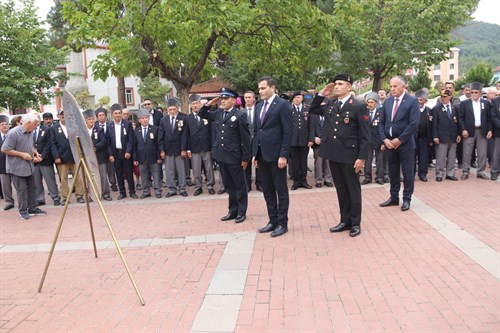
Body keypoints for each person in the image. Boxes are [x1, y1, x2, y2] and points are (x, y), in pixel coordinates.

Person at [309, 74, 370, 237]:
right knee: (341, 189)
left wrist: (362, 158)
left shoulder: (358, 106)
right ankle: (345, 220)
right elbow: (313, 109)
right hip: (333, 154)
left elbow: (365, 135)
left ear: (349, 87)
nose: (336, 86)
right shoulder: (330, 103)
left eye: (340, 84)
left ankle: (355, 223)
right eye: (335, 84)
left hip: (350, 155)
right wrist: (322, 93)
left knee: (353, 190)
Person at [199, 87, 251, 223]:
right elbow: (201, 114)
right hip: (222, 156)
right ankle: (232, 211)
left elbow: (246, 139)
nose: (223, 100)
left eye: (226, 98)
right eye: (221, 98)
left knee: (239, 186)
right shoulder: (218, 113)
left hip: (235, 157)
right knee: (228, 185)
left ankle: (241, 211)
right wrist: (209, 103)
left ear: (233, 100)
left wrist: (246, 158)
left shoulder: (240, 115)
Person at [253, 76, 293, 237]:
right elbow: (257, 131)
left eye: (263, 88)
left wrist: (283, 155)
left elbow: (288, 132)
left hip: (277, 156)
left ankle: (282, 223)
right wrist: (255, 154)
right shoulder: (258, 106)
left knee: (280, 190)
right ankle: (272, 220)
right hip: (262, 155)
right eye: (259, 89)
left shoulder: (283, 105)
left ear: (273, 88)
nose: (260, 91)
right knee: (267, 190)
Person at [378, 76, 420, 212]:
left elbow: (413, 123)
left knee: (408, 172)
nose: (392, 89)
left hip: (405, 144)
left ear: (403, 86)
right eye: (391, 86)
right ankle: (394, 197)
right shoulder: (388, 102)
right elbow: (381, 122)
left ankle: (407, 199)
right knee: (393, 172)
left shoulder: (412, 101)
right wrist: (385, 139)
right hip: (390, 144)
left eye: (395, 86)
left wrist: (400, 139)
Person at [1, 113, 46, 219]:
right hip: (17, 167)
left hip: (29, 166)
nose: (36, 126)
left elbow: (30, 145)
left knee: (32, 187)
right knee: (21, 190)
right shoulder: (13, 133)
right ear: (28, 122)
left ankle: (32, 207)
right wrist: (22, 154)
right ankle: (23, 211)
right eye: (35, 124)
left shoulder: (30, 132)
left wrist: (35, 152)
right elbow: (5, 149)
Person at [50, 110, 85, 205]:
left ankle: (79, 196)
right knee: (63, 178)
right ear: (58, 116)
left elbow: (79, 140)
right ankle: (65, 197)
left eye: (65, 114)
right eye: (61, 114)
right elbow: (52, 144)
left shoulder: (74, 126)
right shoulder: (54, 128)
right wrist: (56, 156)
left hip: (74, 156)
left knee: (78, 177)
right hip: (61, 157)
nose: (63, 116)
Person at [458, 82, 492, 180]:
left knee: (482, 153)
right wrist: (463, 129)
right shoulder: (465, 103)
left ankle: (480, 171)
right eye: (472, 92)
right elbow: (460, 117)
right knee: (467, 152)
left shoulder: (485, 103)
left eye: (476, 92)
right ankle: (465, 171)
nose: (473, 94)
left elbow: (489, 118)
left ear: (480, 93)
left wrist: (490, 130)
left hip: (482, 130)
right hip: (469, 131)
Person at [186, 94, 216, 196]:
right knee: (196, 169)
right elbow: (186, 135)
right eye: (193, 104)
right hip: (194, 147)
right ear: (190, 106)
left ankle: (210, 185)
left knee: (209, 168)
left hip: (206, 146)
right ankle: (198, 187)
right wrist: (188, 149)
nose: (195, 105)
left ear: (200, 104)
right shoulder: (188, 119)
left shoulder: (207, 115)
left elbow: (212, 132)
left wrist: (212, 146)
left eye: (197, 103)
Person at [159, 98, 189, 197]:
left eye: (174, 109)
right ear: (167, 110)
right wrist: (162, 150)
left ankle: (182, 188)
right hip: (168, 150)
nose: (172, 111)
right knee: (169, 171)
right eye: (170, 109)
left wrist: (183, 149)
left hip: (179, 149)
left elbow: (184, 135)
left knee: (181, 170)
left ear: (177, 108)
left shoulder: (183, 118)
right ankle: (172, 189)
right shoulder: (163, 120)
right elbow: (161, 136)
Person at [108, 103, 138, 199]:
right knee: (119, 174)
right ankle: (122, 192)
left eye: (119, 113)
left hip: (126, 153)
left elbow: (131, 139)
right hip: (115, 153)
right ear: (112, 114)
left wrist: (128, 151)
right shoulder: (109, 126)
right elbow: (108, 142)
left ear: (121, 114)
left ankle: (132, 191)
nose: (117, 115)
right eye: (115, 113)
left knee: (129, 173)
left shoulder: (127, 124)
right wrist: (110, 155)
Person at [431, 90, 461, 182]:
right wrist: (435, 136)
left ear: (450, 97)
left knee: (452, 156)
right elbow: (434, 124)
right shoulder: (436, 109)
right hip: (441, 136)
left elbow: (457, 123)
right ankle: (439, 174)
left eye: (445, 96)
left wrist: (458, 134)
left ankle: (450, 173)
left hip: (453, 136)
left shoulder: (454, 108)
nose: (443, 98)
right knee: (441, 157)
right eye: (441, 96)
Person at [33, 112, 61, 206]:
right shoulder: (29, 131)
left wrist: (42, 156)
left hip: (45, 159)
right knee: (36, 180)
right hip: (34, 160)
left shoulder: (46, 129)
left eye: (37, 119)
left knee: (50, 179)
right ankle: (39, 198)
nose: (35, 121)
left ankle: (55, 197)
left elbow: (49, 144)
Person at [133, 108, 162, 199]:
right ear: (139, 120)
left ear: (149, 118)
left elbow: (158, 144)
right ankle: (146, 191)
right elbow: (134, 146)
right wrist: (135, 158)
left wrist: (159, 157)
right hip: (141, 157)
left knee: (156, 174)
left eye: (146, 117)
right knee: (144, 175)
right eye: (142, 118)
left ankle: (158, 191)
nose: (145, 119)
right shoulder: (136, 131)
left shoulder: (155, 129)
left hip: (153, 156)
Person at [85, 109, 112, 201]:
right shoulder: (83, 131)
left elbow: (103, 142)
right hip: (88, 158)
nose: (91, 121)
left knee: (103, 176)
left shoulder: (99, 129)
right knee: (91, 176)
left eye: (92, 119)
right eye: (89, 119)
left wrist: (94, 148)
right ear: (85, 121)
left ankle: (106, 194)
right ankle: (92, 194)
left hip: (100, 156)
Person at [290, 91, 313, 190]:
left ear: (302, 98)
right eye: (295, 98)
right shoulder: (289, 109)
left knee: (303, 162)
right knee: (294, 163)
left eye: (298, 97)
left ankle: (304, 181)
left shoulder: (307, 109)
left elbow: (311, 126)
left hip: (304, 140)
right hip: (293, 140)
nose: (296, 99)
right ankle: (296, 182)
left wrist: (311, 139)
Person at [362, 92, 385, 185]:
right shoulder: (364, 113)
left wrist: (383, 142)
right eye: (368, 102)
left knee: (380, 160)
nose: (370, 104)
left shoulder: (381, 112)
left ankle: (379, 177)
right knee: (367, 160)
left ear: (376, 103)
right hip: (367, 141)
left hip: (379, 140)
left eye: (372, 102)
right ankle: (367, 177)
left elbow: (383, 127)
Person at [242, 90, 261, 192]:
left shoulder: (259, 111)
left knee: (259, 163)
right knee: (246, 164)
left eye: (250, 97)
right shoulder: (241, 113)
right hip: (245, 143)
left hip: (257, 142)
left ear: (254, 98)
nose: (248, 99)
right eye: (246, 97)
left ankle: (259, 184)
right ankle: (247, 185)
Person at [95, 107, 118, 192]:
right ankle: (103, 186)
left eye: (103, 115)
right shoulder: (94, 126)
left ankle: (113, 183)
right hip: (99, 151)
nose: (101, 117)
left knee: (111, 168)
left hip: (110, 150)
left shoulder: (110, 125)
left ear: (106, 116)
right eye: (99, 115)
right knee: (102, 169)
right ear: (97, 117)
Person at [414, 90, 433, 182]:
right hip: (413, 138)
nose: (419, 102)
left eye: (421, 100)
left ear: (425, 100)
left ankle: (423, 174)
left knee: (423, 158)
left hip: (425, 138)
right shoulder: (412, 110)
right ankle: (411, 174)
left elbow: (432, 125)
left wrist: (431, 139)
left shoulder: (429, 111)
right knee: (412, 157)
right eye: (417, 100)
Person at [0, 115, 15, 210]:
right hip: (2, 165)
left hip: (14, 164)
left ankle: (23, 201)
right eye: (2, 124)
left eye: (6, 124)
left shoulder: (13, 135)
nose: (5, 126)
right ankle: (9, 202)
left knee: (19, 184)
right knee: (5, 185)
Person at [489, 96, 500, 180]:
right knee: (496, 153)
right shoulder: (495, 101)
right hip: (498, 130)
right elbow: (492, 116)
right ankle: (494, 171)